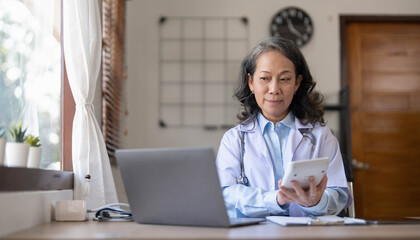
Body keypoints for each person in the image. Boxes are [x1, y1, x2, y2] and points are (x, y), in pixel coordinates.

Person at [215, 37, 351, 218]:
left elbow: (339, 195)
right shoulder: (234, 139)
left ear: (297, 83)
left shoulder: (321, 136)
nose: (274, 88)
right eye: (265, 78)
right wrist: (275, 200)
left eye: (285, 79)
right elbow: (225, 195)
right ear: (251, 83)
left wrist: (317, 202)